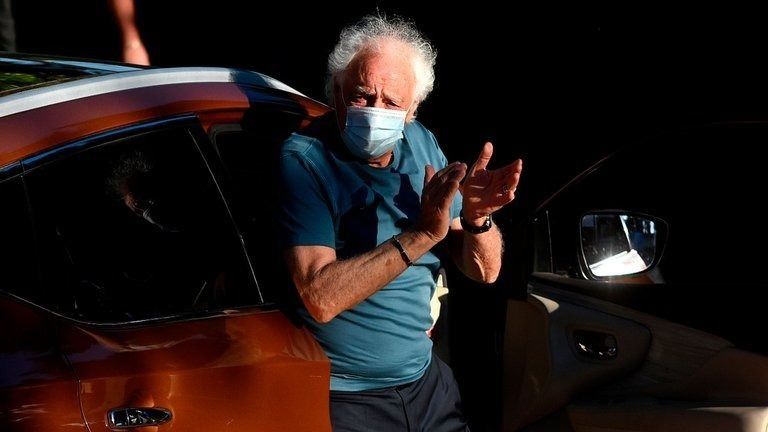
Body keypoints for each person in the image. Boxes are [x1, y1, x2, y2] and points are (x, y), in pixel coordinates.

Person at [278, 15, 523, 431]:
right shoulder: (305, 160)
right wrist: (422, 235)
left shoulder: (422, 142)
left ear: (413, 109)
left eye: (392, 103)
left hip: (425, 381)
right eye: (362, 95)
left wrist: (477, 218)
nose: (376, 111)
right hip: (347, 396)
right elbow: (320, 297)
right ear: (337, 91)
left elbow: (485, 271)